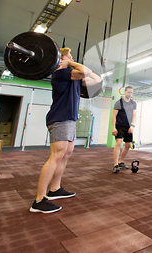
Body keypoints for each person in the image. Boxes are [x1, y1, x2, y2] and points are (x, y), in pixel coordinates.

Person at [30, 48, 101, 213]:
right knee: (56, 156)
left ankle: (55, 189)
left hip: (69, 119)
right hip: (60, 118)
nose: (71, 59)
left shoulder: (74, 79)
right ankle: (39, 199)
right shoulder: (60, 74)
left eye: (71, 58)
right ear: (59, 61)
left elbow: (97, 80)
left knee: (66, 154)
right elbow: (87, 71)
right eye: (68, 57)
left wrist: (70, 63)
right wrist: (69, 64)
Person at [112, 86, 137, 173]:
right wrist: (113, 127)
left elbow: (134, 115)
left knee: (128, 145)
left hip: (128, 126)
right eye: (128, 92)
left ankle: (120, 161)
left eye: (131, 92)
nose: (130, 94)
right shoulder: (119, 103)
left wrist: (132, 126)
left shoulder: (133, 103)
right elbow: (114, 116)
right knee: (118, 143)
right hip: (119, 125)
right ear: (124, 92)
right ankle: (115, 165)